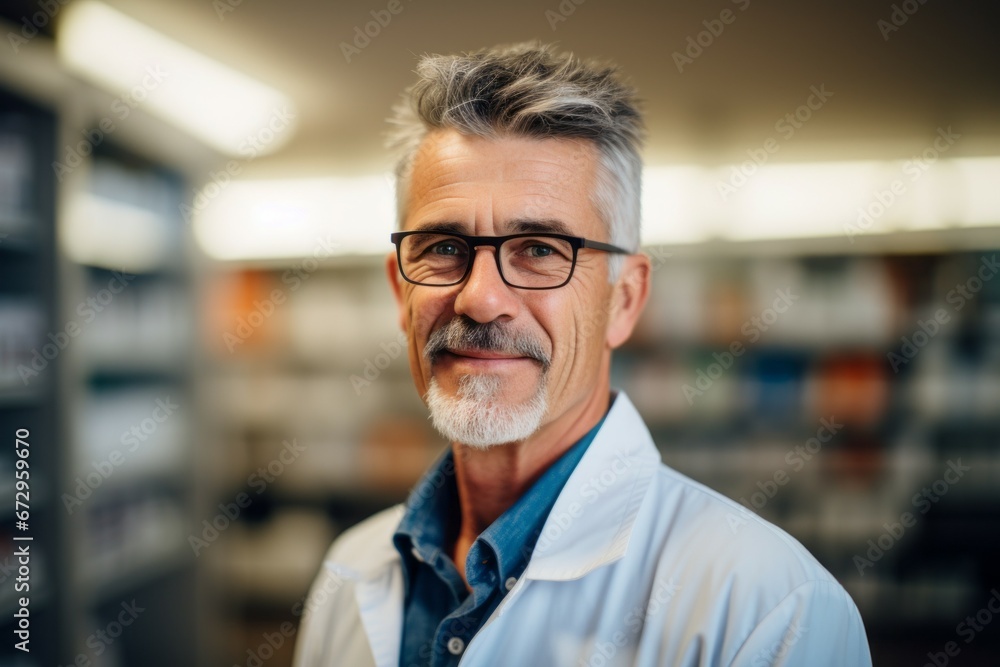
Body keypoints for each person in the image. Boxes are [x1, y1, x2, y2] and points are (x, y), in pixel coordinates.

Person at [293, 42, 872, 667]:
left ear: (624, 299)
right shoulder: (350, 569)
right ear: (399, 287)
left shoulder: (767, 609)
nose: (481, 299)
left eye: (540, 249)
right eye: (442, 247)